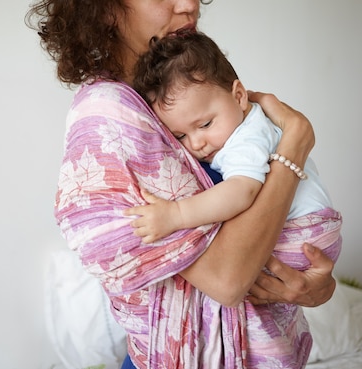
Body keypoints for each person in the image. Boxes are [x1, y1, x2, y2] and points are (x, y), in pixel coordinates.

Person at [26, 1, 338, 368]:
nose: (189, 4)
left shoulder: (186, 94)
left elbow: (268, 235)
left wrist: (318, 287)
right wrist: (296, 142)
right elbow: (227, 279)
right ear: (104, 9)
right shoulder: (111, 117)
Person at [126, 30, 343, 367]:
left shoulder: (246, 138)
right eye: (181, 135)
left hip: (304, 233)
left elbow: (242, 191)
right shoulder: (243, 127)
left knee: (251, 310)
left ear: (239, 95)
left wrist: (177, 215)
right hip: (312, 234)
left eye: (205, 123)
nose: (197, 143)